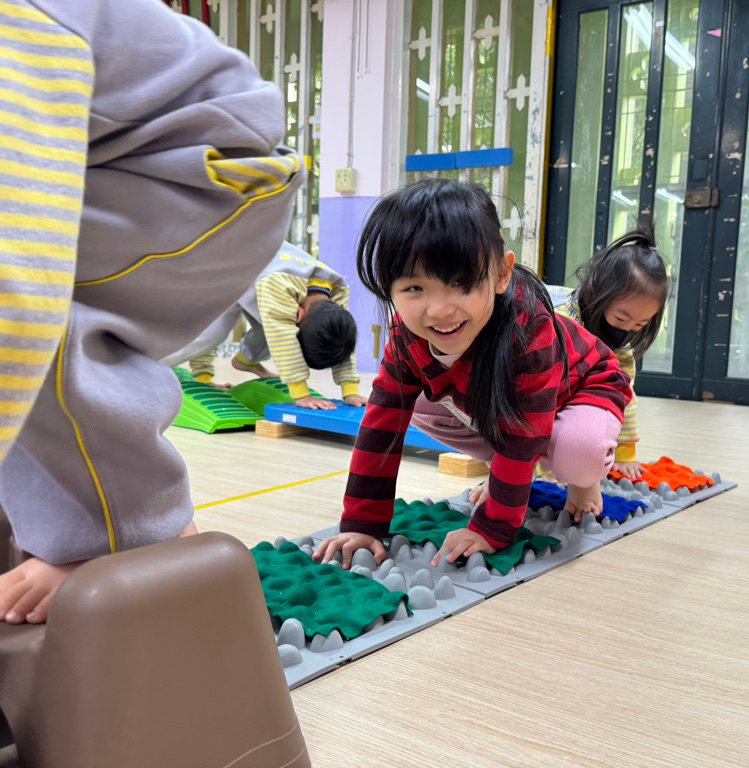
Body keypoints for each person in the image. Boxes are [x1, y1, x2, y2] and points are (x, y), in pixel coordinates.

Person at [0, 0, 303, 623]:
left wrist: (298, 387)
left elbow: (20, 275)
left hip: (197, 166)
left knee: (41, 311)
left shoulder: (19, 24)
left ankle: (122, 533)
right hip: (150, 160)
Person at [312, 179, 632, 569]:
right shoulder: (405, 334)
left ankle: (584, 479)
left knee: (576, 455)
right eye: (414, 287)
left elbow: (523, 435)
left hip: (584, 387)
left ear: (500, 274)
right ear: (390, 289)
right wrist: (362, 523)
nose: (440, 310)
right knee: (414, 407)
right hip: (514, 408)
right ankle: (506, 473)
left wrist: (492, 527)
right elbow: (382, 424)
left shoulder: (529, 330)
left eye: (461, 284)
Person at [165, 241, 365, 409]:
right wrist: (301, 394)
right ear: (300, 314)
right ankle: (156, 363)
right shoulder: (279, 285)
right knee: (212, 333)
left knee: (270, 325)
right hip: (219, 267)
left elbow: (341, 339)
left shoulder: (335, 290)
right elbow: (283, 340)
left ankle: (246, 361)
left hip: (252, 271)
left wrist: (350, 390)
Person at [549, 222, 668, 478]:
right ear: (594, 296)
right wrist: (541, 464)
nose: (627, 330)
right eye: (621, 318)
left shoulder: (619, 346)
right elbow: (540, 391)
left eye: (640, 324)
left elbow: (623, 395)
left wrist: (625, 454)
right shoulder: (560, 321)